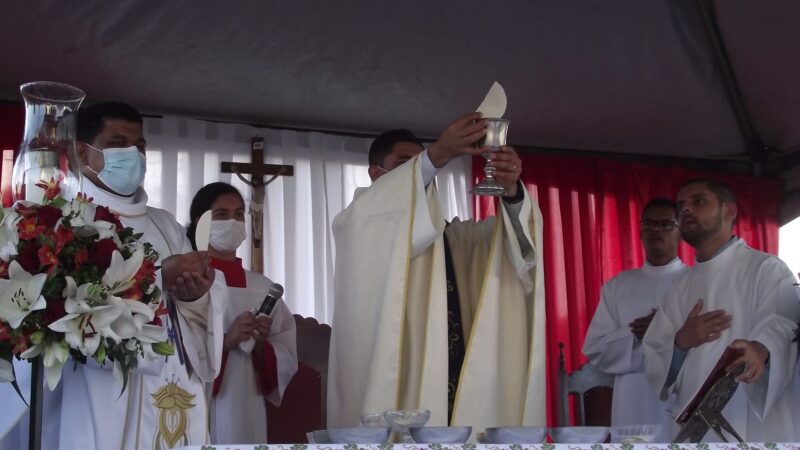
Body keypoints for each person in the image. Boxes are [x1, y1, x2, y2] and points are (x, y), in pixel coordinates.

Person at [1, 102, 228, 450]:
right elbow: (56, 297)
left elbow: (195, 310)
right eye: (118, 143)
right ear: (82, 151)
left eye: (139, 146)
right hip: (90, 389)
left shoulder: (164, 225)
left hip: (165, 384)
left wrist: (196, 295)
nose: (133, 154)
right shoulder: (61, 217)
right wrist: (158, 279)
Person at [328, 113, 547, 434]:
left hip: (455, 380)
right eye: (406, 163)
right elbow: (385, 212)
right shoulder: (358, 219)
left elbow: (511, 250)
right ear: (377, 174)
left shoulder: (455, 239)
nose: (416, 171)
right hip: (400, 380)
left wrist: (511, 192)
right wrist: (436, 155)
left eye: (420, 163)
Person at [643, 179, 800, 441]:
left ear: (729, 212)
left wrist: (761, 349)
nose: (686, 211)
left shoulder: (765, 268)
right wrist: (681, 341)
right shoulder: (679, 287)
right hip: (694, 424)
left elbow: (784, 323)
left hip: (751, 418)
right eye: (681, 206)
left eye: (699, 202)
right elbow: (655, 358)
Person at [187, 182, 297, 444]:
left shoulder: (262, 287)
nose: (233, 222)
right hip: (198, 402)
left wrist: (261, 347)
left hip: (247, 399)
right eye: (221, 215)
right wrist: (225, 341)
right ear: (200, 222)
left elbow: (286, 352)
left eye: (238, 214)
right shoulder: (187, 281)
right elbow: (175, 348)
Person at [583, 198, 687, 442]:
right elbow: (595, 349)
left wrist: (664, 331)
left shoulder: (695, 282)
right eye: (649, 225)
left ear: (680, 231)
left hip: (681, 391)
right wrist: (635, 336)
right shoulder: (618, 286)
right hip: (633, 395)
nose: (656, 231)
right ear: (640, 230)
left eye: (665, 224)